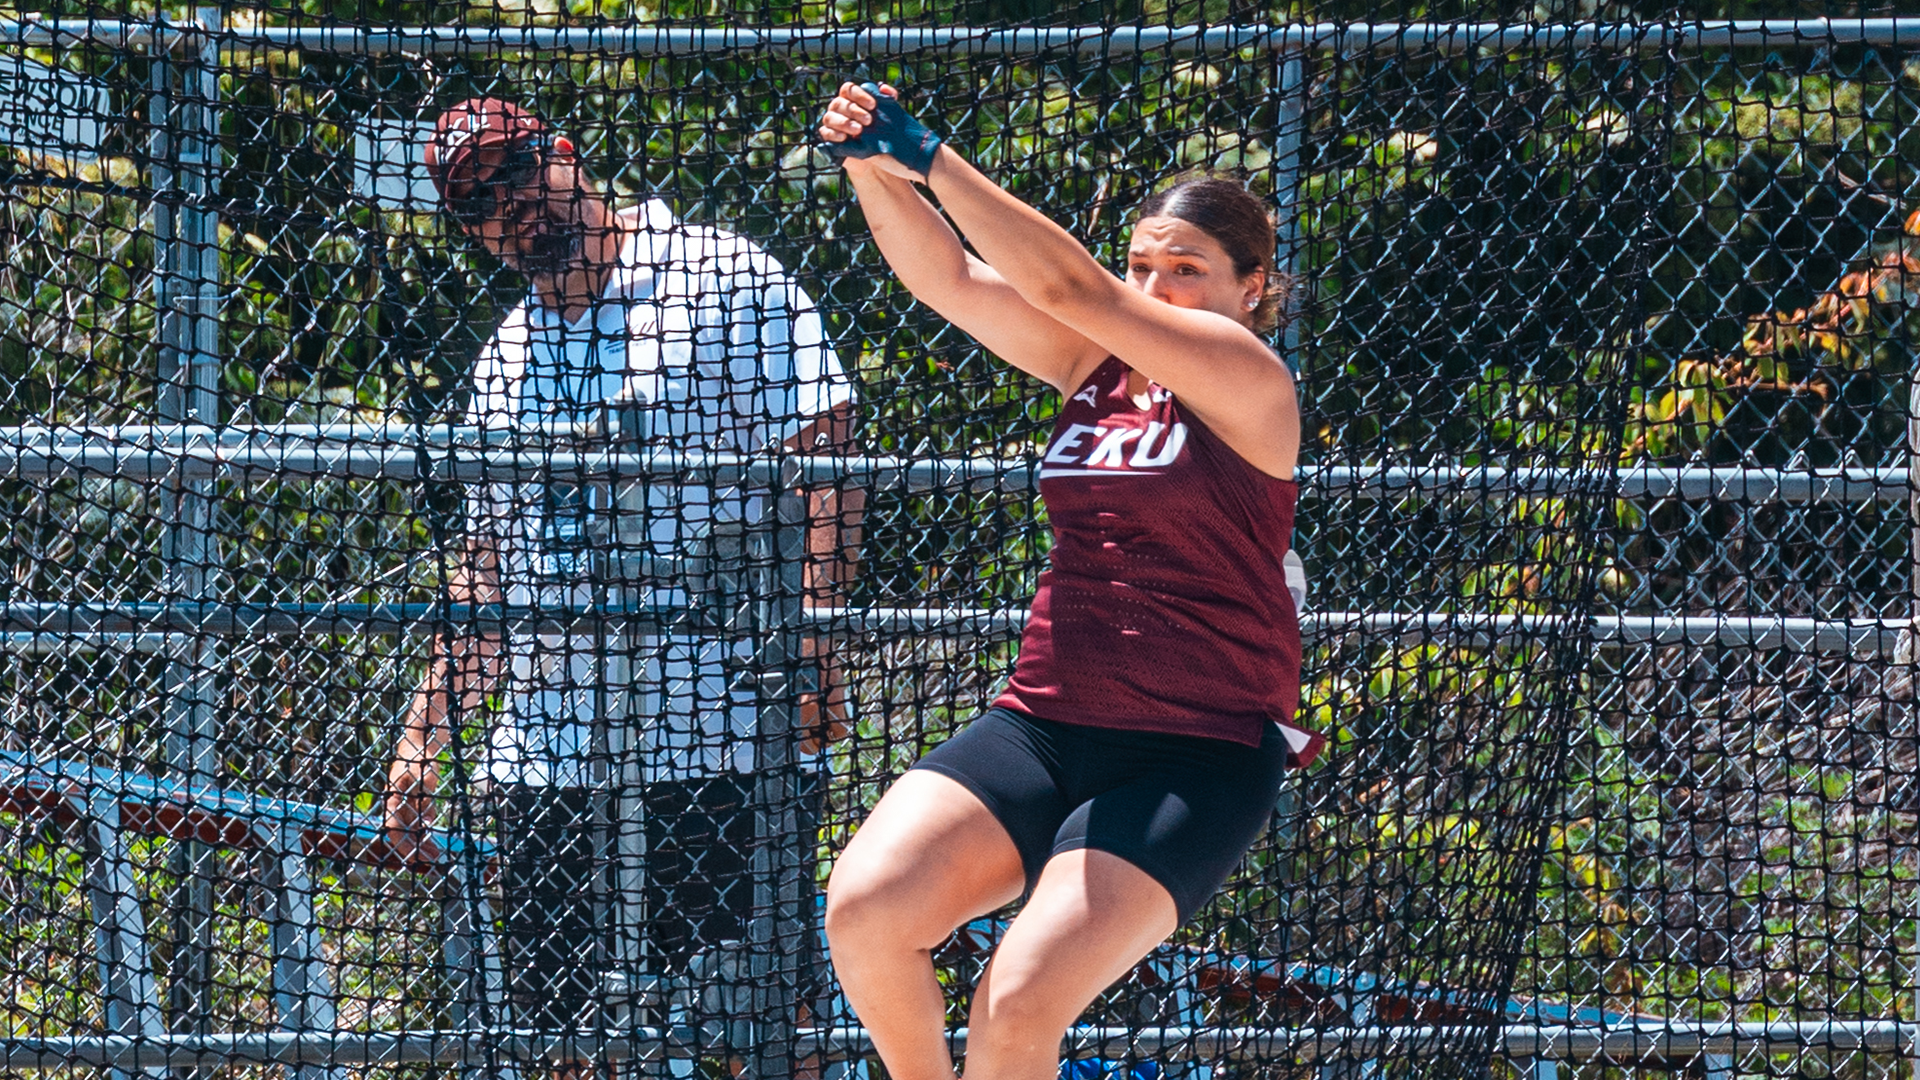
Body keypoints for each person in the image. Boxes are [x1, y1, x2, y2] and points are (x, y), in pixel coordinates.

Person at [815, 82, 1322, 1080]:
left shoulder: (1247, 375)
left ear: (1252, 288)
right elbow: (949, 281)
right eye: (1142, 265)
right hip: (1047, 724)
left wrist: (932, 156)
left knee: (1014, 1004)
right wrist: (871, 169)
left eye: (1186, 270)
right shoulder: (1097, 364)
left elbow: (1074, 290)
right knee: (865, 911)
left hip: (1195, 755)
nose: (1154, 285)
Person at [382, 97, 861, 1053]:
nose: (508, 207)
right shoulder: (508, 354)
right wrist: (426, 734)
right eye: (476, 201)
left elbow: (828, 449)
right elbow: (487, 570)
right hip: (552, 750)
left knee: (765, 1027)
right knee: (560, 1037)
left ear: (565, 152)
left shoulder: (722, 274)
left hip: (719, 731)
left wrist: (814, 632)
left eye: (516, 171)